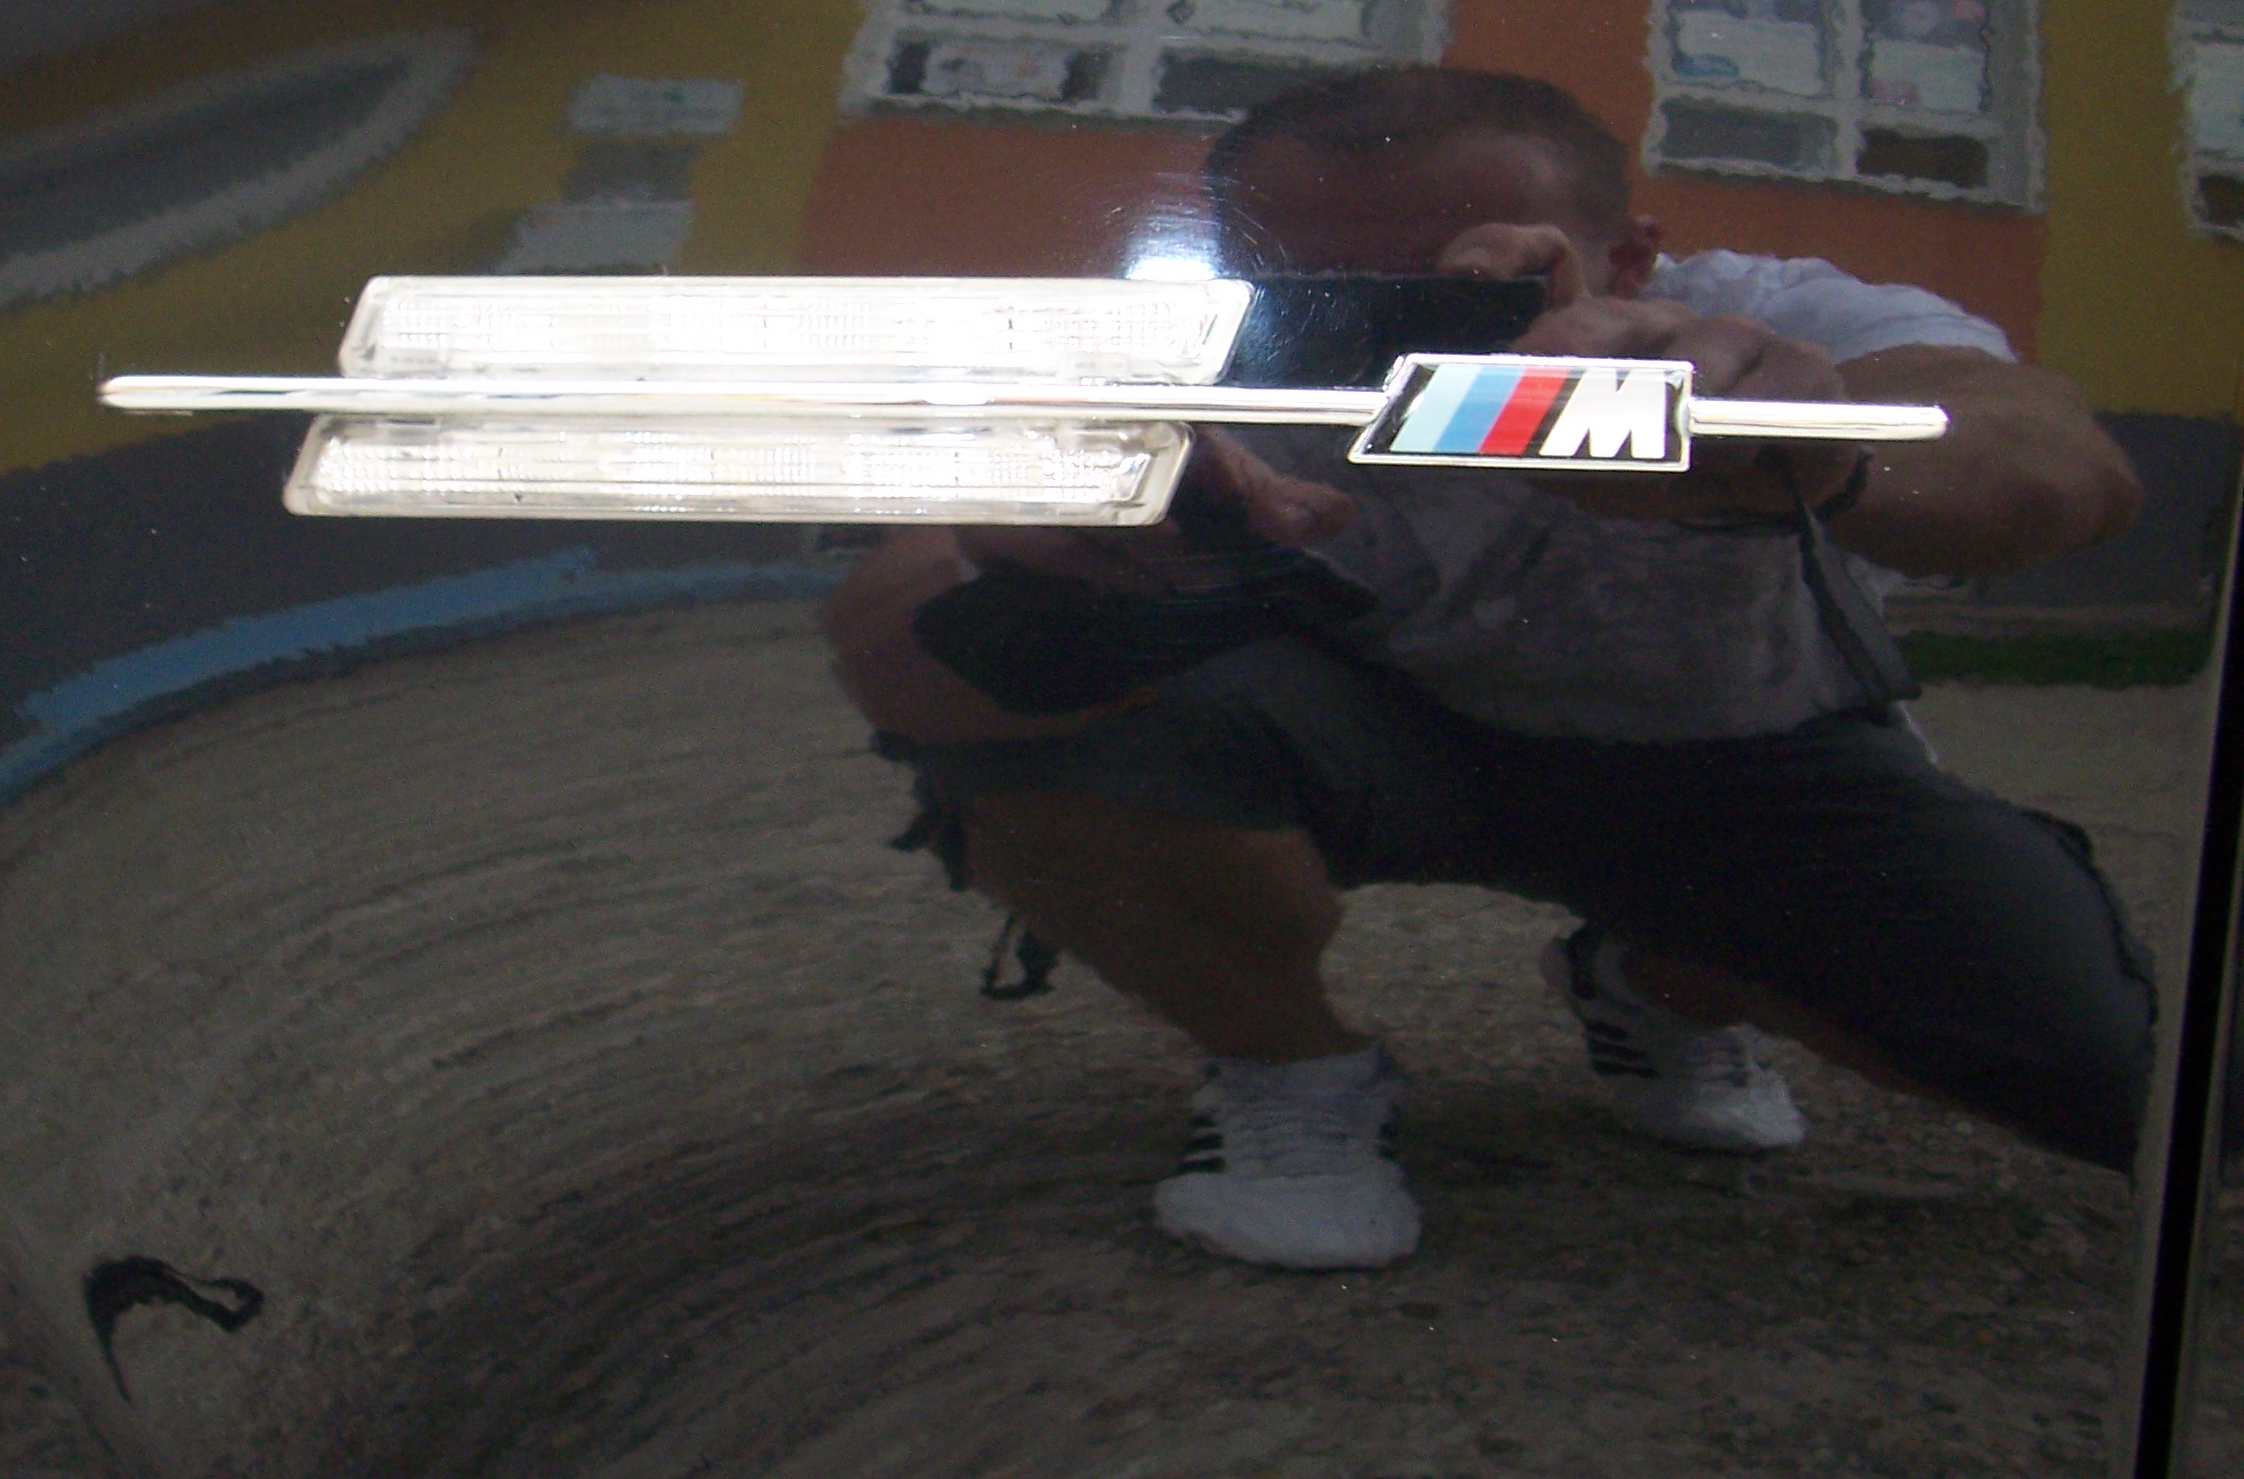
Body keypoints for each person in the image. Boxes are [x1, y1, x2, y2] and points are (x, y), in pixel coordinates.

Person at [823, 67, 2152, 1271]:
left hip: (1745, 763)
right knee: (1046, 713)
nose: (1389, 332)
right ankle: (1287, 1068)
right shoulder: (1194, 365)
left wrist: (1815, 448)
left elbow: (2066, 471)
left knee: (2109, 1076)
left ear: (1631, 257)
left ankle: (1657, 978)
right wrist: (1040, 563)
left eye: (1456, 287)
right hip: (1396, 730)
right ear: (1235, 270)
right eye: (1322, 292)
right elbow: (896, 651)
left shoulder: (1777, 314)